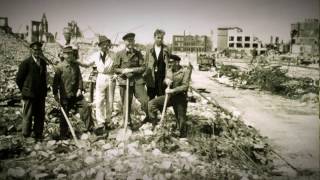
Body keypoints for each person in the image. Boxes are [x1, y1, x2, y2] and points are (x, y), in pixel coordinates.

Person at [148, 54, 192, 138]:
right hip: (169, 97)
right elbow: (165, 80)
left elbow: (185, 86)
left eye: (172, 62)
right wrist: (166, 81)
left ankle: (182, 135)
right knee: (151, 103)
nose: (170, 64)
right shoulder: (169, 70)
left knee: (181, 118)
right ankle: (155, 124)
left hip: (180, 97)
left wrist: (173, 90)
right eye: (170, 62)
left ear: (177, 62)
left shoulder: (185, 71)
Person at [79, 35, 116, 134]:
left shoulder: (113, 54)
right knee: (99, 100)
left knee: (110, 100)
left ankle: (108, 120)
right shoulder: (95, 55)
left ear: (108, 45)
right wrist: (76, 61)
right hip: (100, 77)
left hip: (110, 77)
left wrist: (116, 74)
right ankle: (100, 121)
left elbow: (118, 66)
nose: (105, 46)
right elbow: (86, 64)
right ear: (99, 45)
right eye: (103, 44)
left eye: (106, 44)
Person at [113, 32, 149, 130]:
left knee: (145, 100)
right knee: (126, 104)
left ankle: (149, 118)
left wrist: (132, 70)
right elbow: (115, 69)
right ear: (125, 42)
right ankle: (127, 123)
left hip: (137, 81)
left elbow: (143, 67)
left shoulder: (138, 53)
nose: (130, 43)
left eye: (132, 41)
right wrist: (123, 71)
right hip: (124, 82)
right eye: (128, 41)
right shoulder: (119, 54)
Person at [16, 41, 48, 140]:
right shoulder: (25, 63)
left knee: (40, 114)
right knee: (28, 114)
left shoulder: (43, 62)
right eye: (35, 50)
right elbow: (19, 79)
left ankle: (38, 134)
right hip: (29, 94)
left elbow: (44, 78)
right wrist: (25, 90)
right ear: (31, 50)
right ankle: (26, 135)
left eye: (39, 50)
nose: (37, 52)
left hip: (40, 94)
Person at [52, 46, 84, 139]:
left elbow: (80, 78)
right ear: (63, 55)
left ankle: (88, 129)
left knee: (85, 107)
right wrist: (55, 95)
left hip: (76, 94)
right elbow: (55, 83)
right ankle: (63, 134)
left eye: (70, 53)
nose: (69, 55)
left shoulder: (76, 66)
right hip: (65, 96)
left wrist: (80, 89)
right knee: (64, 115)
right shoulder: (59, 67)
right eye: (67, 54)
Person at [144, 29, 170, 100]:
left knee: (161, 96)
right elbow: (145, 62)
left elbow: (168, 64)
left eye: (161, 38)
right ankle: (151, 111)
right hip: (151, 77)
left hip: (161, 76)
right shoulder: (149, 48)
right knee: (151, 96)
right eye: (158, 37)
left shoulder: (166, 48)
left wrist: (167, 76)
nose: (160, 39)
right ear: (154, 37)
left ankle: (160, 111)